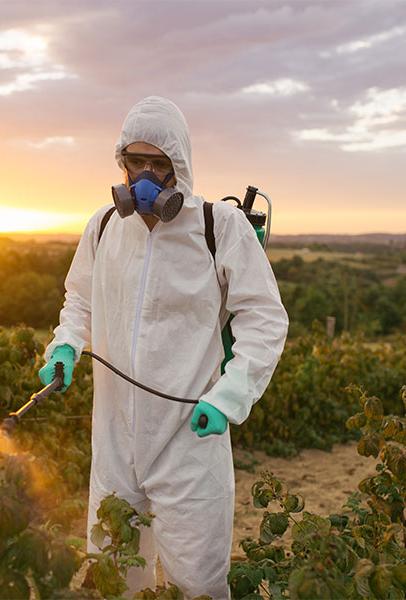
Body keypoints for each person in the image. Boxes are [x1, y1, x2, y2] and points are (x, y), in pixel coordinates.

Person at [38, 96, 288, 598]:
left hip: (189, 439)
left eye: (159, 163)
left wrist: (228, 398)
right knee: (114, 576)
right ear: (121, 164)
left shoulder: (219, 228)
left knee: (195, 582)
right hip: (114, 439)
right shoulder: (104, 227)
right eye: (136, 162)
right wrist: (65, 347)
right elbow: (79, 301)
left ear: (181, 166)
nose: (146, 175)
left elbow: (263, 319)